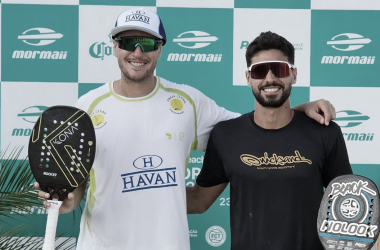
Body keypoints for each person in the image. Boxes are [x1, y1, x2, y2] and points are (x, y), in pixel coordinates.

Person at [35, 9, 336, 250]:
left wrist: (300, 108)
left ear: (160, 49)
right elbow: (76, 187)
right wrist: (67, 201)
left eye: (149, 43)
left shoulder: (188, 102)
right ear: (114, 47)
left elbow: (255, 125)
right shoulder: (86, 107)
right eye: (127, 42)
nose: (137, 52)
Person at [186, 31, 353, 250]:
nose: (270, 78)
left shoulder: (325, 132)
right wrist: (143, 191)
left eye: (280, 69)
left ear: (293, 74)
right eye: (260, 70)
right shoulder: (225, 135)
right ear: (248, 78)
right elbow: (199, 201)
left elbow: (350, 209)